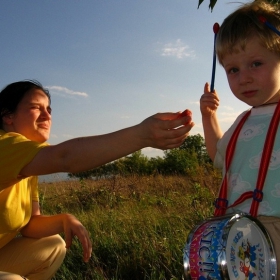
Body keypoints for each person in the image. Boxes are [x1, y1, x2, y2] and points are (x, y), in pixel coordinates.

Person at [0, 80, 194, 280]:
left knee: (52, 245)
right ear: (8, 116)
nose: (47, 115)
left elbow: (30, 225)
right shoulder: (4, 146)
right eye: (35, 107)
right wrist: (143, 136)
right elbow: (64, 158)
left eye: (49, 109)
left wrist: (64, 219)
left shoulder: (27, 165)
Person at [200, 0, 280, 276]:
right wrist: (208, 117)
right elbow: (221, 157)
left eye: (255, 63)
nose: (243, 78)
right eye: (233, 70)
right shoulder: (243, 122)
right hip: (237, 233)